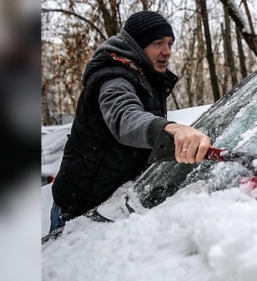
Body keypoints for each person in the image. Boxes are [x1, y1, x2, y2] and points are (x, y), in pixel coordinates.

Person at [49, 11, 211, 233]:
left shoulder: (144, 76)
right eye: (158, 43)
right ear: (136, 45)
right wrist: (170, 128)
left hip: (113, 206)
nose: (167, 51)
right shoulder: (113, 77)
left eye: (170, 43)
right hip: (79, 212)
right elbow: (125, 117)